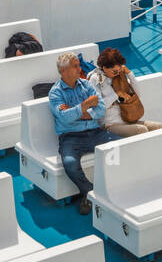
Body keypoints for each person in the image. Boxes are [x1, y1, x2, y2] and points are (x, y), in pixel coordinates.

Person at [49, 51, 116, 215]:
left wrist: (76, 113)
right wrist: (85, 106)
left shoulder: (87, 85)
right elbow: (64, 119)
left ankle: (112, 189)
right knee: (70, 163)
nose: (80, 68)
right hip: (71, 138)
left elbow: (100, 110)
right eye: (76, 66)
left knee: (118, 149)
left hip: (95, 132)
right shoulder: (55, 93)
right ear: (63, 71)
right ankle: (90, 193)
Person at [88, 48, 162, 138]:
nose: (117, 73)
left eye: (119, 70)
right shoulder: (95, 79)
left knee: (158, 127)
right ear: (104, 68)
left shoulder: (119, 76)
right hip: (110, 124)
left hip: (128, 119)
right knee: (141, 130)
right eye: (115, 71)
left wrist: (130, 74)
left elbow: (137, 95)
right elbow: (99, 107)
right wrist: (117, 94)